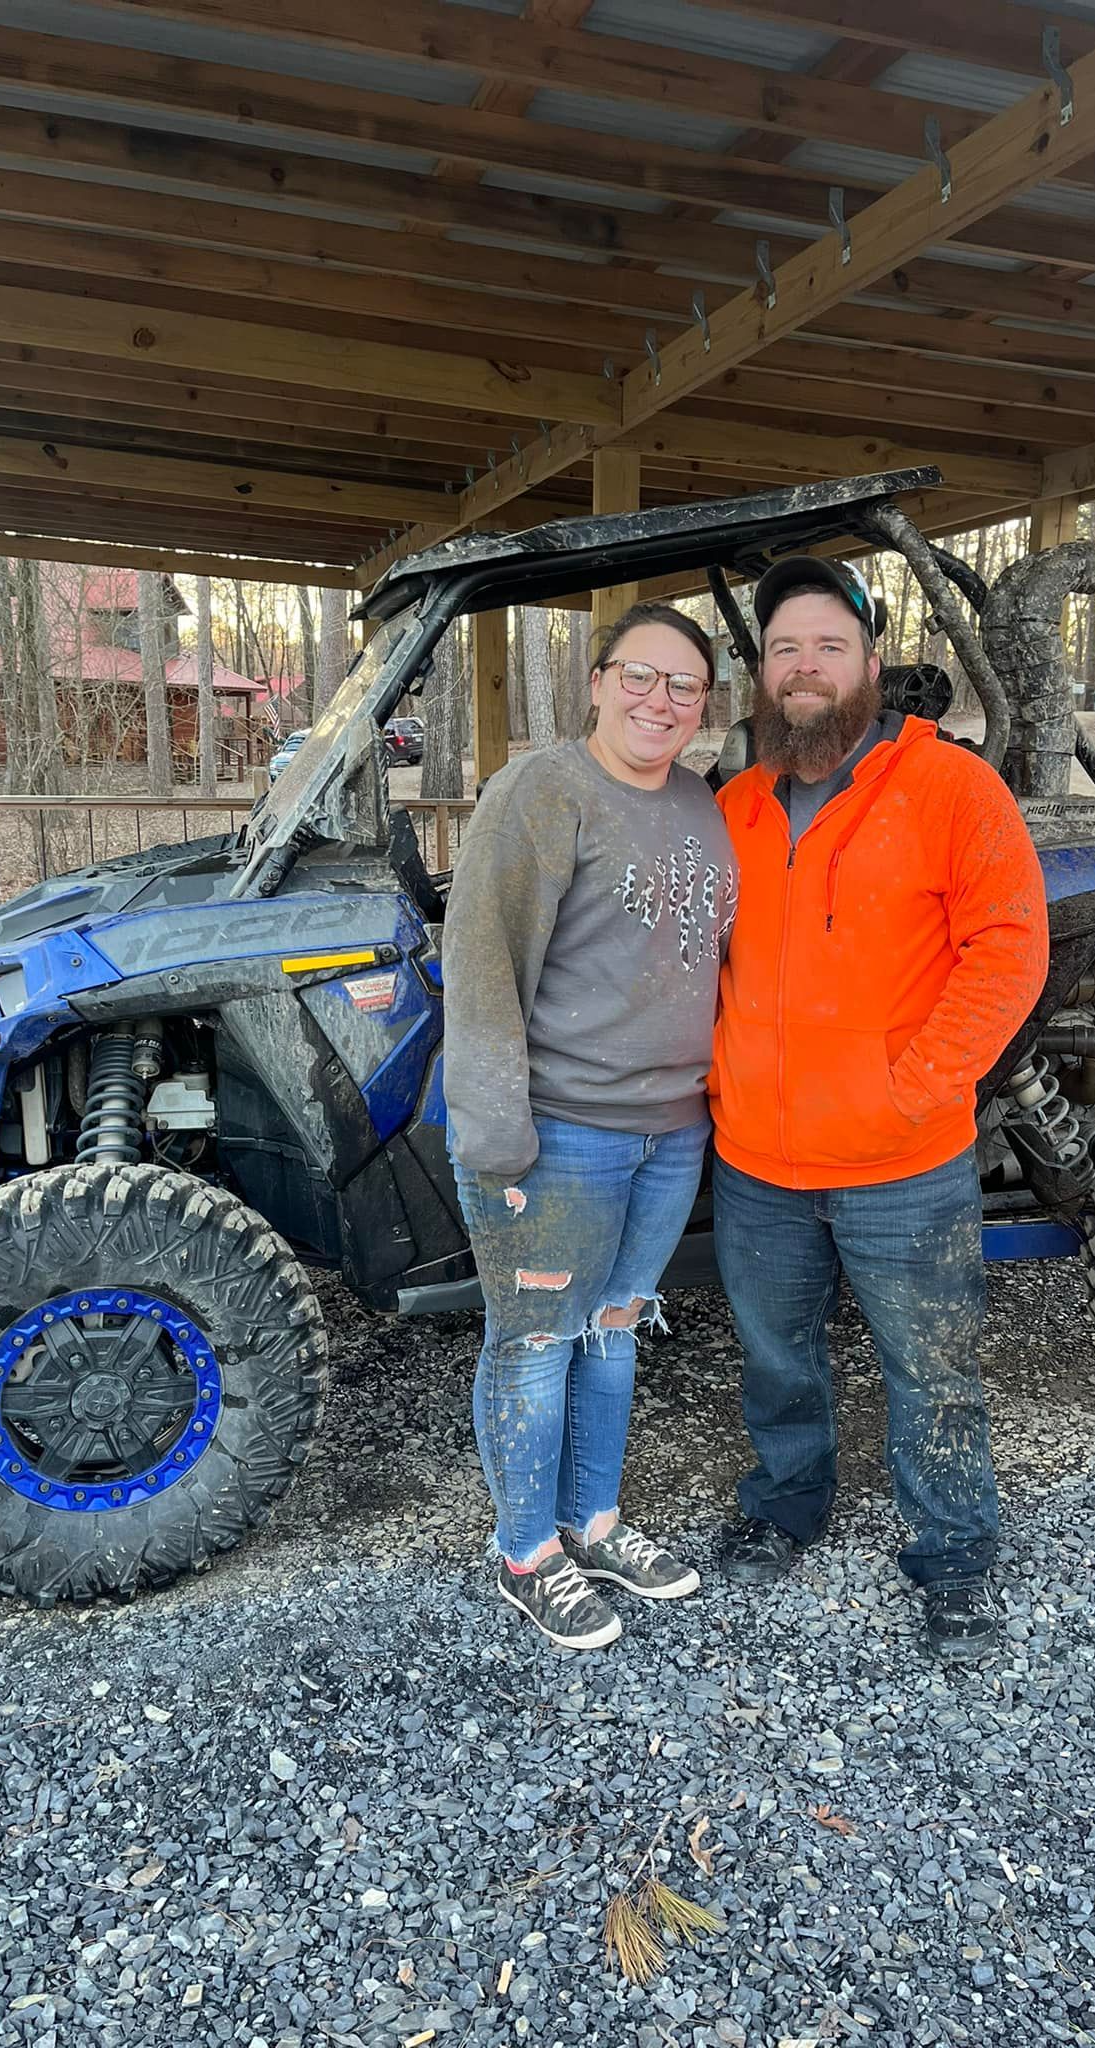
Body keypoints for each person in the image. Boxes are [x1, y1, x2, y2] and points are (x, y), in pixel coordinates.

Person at [710, 556, 1048, 1661]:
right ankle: (785, 1503)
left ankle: (953, 1555)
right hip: (756, 1159)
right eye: (786, 650)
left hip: (902, 1163)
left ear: (872, 661)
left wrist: (915, 1085)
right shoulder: (737, 804)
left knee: (934, 1365)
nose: (805, 668)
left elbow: (1008, 951)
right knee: (775, 1356)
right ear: (764, 673)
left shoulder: (952, 787)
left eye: (829, 646)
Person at [442, 603, 738, 1651]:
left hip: (671, 1128)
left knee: (617, 1327)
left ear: (707, 703)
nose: (661, 699)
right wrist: (495, 1136)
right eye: (640, 676)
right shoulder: (540, 792)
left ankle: (595, 1521)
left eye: (685, 685)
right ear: (599, 682)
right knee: (533, 1345)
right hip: (560, 1131)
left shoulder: (706, 804)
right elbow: (480, 966)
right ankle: (527, 1552)